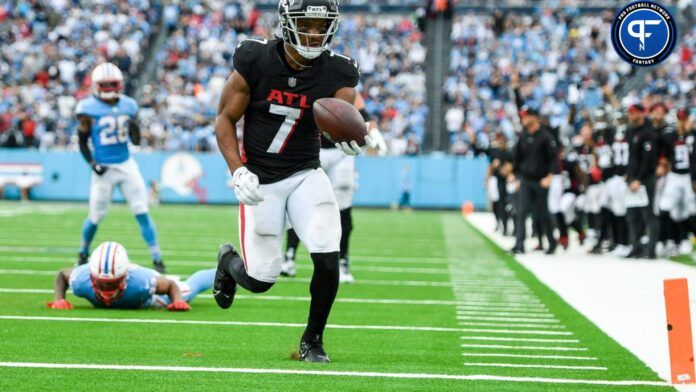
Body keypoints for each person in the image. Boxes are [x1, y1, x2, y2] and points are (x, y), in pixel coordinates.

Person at [212, 0, 373, 363]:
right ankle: (228, 261)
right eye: (307, 24)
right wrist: (238, 170)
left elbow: (345, 117)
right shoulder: (255, 59)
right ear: (286, 22)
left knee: (327, 252)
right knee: (260, 279)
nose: (314, 34)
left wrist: (359, 136)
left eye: (321, 26)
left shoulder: (339, 71)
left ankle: (312, 341)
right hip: (260, 178)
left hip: (305, 173)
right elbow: (224, 119)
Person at [281, 93, 386, 283]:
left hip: (342, 150)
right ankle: (289, 256)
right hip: (311, 147)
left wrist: (374, 130)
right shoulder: (306, 76)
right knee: (299, 202)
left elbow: (361, 107)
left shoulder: (339, 71)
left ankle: (342, 261)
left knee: (344, 206)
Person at [74, 63, 166, 273]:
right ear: (96, 85)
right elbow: (82, 141)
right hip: (103, 168)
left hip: (126, 165)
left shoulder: (129, 106)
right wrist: (92, 163)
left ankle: (157, 258)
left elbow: (135, 139)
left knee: (142, 211)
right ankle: (82, 253)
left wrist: (134, 127)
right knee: (96, 216)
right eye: (104, 85)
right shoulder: (86, 108)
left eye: (112, 84)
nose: (108, 88)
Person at [47, 242, 214, 310]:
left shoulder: (142, 283)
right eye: (101, 283)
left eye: (111, 283)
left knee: (188, 289)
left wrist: (177, 301)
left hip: (149, 298)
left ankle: (222, 271)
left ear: (124, 276)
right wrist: (59, 298)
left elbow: (170, 285)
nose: (105, 288)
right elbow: (62, 274)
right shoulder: (80, 279)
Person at [510, 107, 558, 254]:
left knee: (543, 212)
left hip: (541, 180)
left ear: (533, 117)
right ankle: (519, 244)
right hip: (526, 179)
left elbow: (554, 158)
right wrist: (515, 175)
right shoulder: (523, 137)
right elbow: (518, 158)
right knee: (522, 211)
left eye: (525, 116)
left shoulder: (545, 136)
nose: (523, 119)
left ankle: (551, 242)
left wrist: (550, 176)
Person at [625, 104, 658, 259]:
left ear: (641, 113)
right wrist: (630, 177)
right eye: (629, 113)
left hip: (646, 179)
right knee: (633, 214)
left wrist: (638, 179)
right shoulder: (631, 131)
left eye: (633, 113)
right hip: (632, 180)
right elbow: (631, 158)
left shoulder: (649, 132)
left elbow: (648, 159)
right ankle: (635, 246)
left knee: (649, 214)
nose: (631, 116)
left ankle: (651, 250)